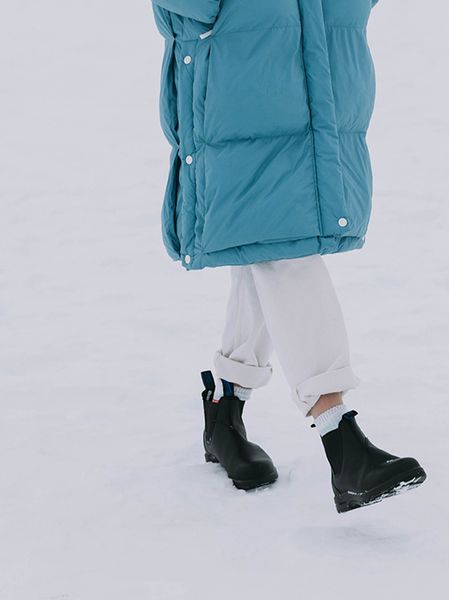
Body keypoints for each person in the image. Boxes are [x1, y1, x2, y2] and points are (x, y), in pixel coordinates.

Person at [151, 0, 426, 513]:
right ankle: (342, 442)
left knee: (267, 253)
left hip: (321, 86)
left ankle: (225, 409)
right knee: (285, 258)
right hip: (244, 90)